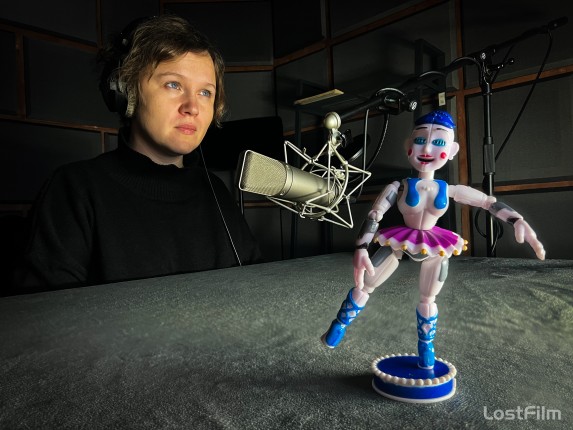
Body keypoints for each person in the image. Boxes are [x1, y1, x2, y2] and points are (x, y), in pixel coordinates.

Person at [16, 14, 261, 290]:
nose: (192, 107)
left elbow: (255, 291)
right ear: (127, 92)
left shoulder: (216, 192)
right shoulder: (75, 190)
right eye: (173, 84)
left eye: (205, 92)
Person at [321, 110, 545, 369]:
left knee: (429, 298)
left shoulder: (448, 189)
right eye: (420, 140)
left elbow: (487, 202)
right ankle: (339, 324)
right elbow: (375, 214)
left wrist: (517, 220)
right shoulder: (399, 186)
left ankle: (426, 346)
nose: (427, 148)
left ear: (452, 150)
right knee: (366, 283)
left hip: (434, 245)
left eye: (438, 142)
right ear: (408, 146)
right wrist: (361, 247)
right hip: (400, 240)